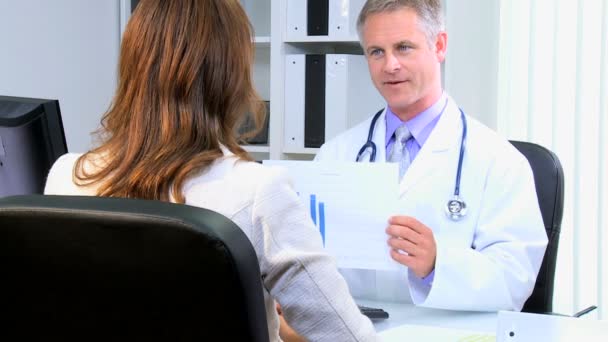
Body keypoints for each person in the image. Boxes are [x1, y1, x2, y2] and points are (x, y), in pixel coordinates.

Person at [43, 1, 377, 341]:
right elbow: (349, 337)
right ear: (231, 76)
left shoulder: (66, 176)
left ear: (131, 67)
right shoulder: (258, 191)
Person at [314, 0, 548, 311]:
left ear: (439, 46)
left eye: (404, 47)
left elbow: (515, 279)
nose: (390, 65)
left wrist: (438, 263)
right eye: (376, 52)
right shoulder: (335, 155)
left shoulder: (499, 161)